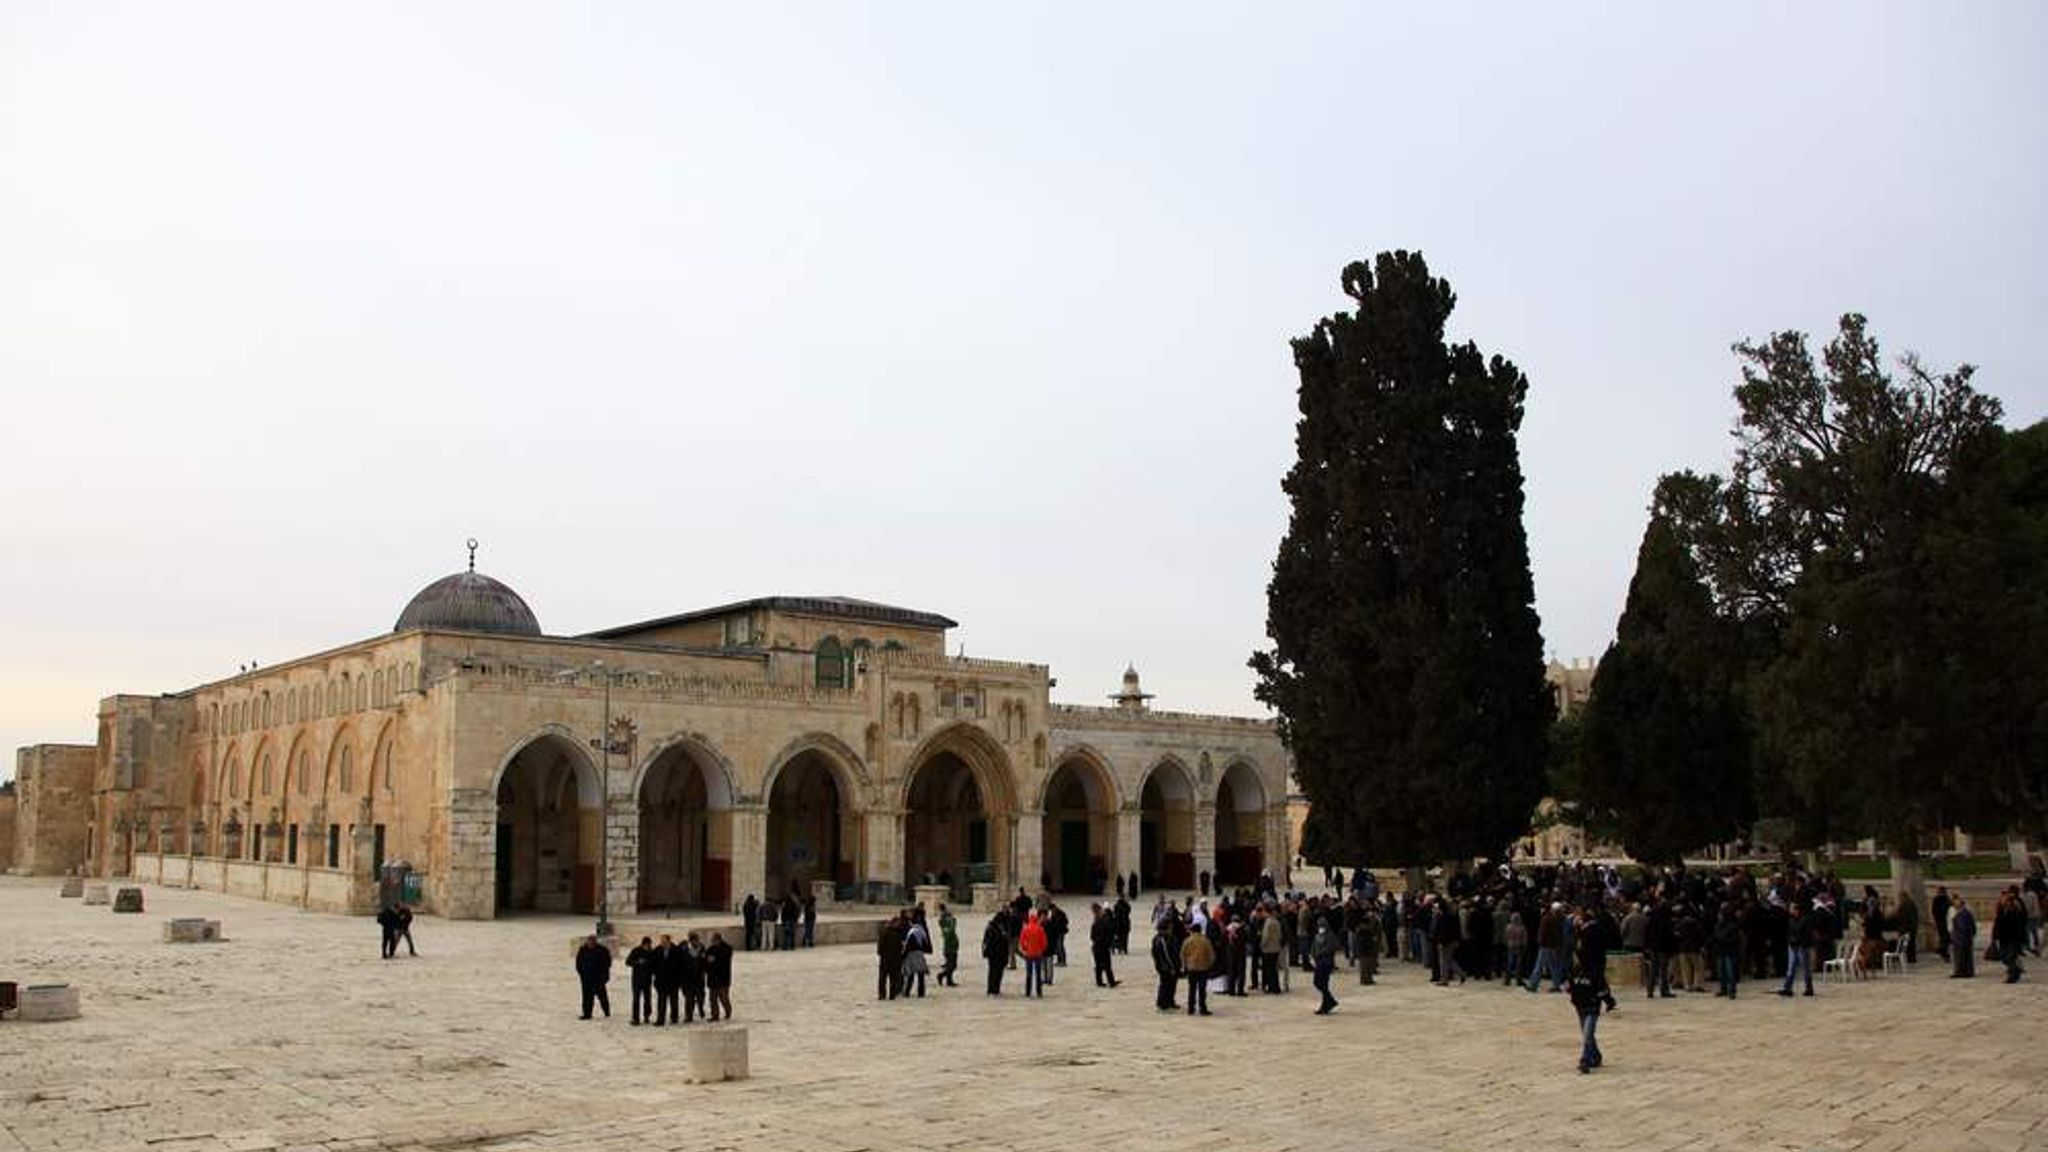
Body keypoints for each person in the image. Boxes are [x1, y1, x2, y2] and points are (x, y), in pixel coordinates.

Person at [1568, 917, 1604, 1073]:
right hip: (1581, 1005)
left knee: (1587, 1033)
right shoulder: (1575, 971)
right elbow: (1570, 986)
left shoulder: (1594, 971)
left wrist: (1608, 1001)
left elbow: (1603, 987)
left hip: (1591, 1005)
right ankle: (1595, 1055)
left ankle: (1585, 1060)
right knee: (1587, 1033)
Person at [1992, 887, 2028, 983]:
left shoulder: (2015, 911)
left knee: (2010, 957)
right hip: (2004, 938)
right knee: (2004, 957)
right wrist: (1994, 936)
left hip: (2013, 938)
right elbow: (1997, 924)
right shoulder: (2002, 910)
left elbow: (2019, 925)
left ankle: (2013, 975)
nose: (2001, 900)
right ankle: (2015, 971)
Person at [1181, 918, 1214, 1015]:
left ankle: (1191, 1008)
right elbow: (1211, 955)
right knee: (1202, 990)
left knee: (1192, 989)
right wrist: (1208, 965)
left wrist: (1185, 966)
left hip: (1191, 968)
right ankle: (1202, 1008)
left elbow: (1183, 954)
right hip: (1203, 968)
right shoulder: (1205, 941)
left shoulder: (1187, 941)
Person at [575, 935, 612, 1020]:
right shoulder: (583, 950)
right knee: (587, 997)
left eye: (592, 942)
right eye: (589, 941)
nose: (591, 943)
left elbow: (607, 963)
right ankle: (587, 1014)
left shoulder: (602, 950)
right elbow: (578, 963)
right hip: (586, 978)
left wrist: (604, 976)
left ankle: (607, 1012)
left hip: (598, 978)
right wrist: (581, 974)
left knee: (602, 995)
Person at [625, 935, 657, 1026]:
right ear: (643, 944)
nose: (648, 947)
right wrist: (637, 962)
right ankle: (636, 1018)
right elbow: (628, 962)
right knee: (636, 999)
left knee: (647, 999)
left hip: (647, 980)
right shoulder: (636, 951)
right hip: (637, 980)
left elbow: (654, 965)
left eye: (649, 945)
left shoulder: (651, 952)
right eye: (646, 945)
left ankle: (647, 1016)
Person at [1310, 918, 1339, 1015]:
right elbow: (1313, 946)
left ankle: (1325, 1005)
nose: (1320, 927)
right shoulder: (1317, 936)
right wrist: (1313, 955)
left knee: (1324, 983)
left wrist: (1321, 953)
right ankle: (1330, 1000)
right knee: (1317, 982)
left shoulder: (1331, 936)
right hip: (1318, 962)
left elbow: (1332, 947)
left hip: (1326, 962)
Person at [651, 933, 681, 1025]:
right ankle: (660, 1019)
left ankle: (674, 1017)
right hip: (661, 981)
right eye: (661, 941)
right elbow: (652, 963)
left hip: (673, 981)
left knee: (674, 1001)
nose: (662, 943)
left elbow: (681, 966)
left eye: (664, 941)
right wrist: (656, 973)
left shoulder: (676, 950)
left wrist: (679, 980)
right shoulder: (657, 950)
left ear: (669, 941)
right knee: (661, 1001)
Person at [1151, 917, 1180, 1011]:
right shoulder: (1161, 940)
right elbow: (1166, 955)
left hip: (1169, 966)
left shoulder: (1169, 937)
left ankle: (1170, 1001)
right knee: (1165, 985)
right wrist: (1171, 967)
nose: (1171, 929)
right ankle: (1162, 1003)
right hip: (1165, 967)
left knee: (1172, 984)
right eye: (1170, 927)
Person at [1019, 910, 1050, 998]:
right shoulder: (1040, 929)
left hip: (1029, 953)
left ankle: (1028, 992)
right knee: (1038, 974)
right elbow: (1044, 942)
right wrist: (1041, 949)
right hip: (1038, 953)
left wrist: (1025, 948)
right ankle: (1039, 991)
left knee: (1029, 974)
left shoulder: (1026, 928)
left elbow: (1021, 941)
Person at [902, 910, 932, 998]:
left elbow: (908, 945)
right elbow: (925, 943)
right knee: (921, 975)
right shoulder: (922, 930)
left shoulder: (911, 931)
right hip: (920, 953)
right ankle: (921, 992)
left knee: (910, 975)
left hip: (912, 954)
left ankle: (907, 992)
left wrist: (903, 955)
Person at [705, 931, 733, 1021]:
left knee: (723, 997)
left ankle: (728, 1011)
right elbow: (707, 960)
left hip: (722, 978)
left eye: (714, 940)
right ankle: (715, 1015)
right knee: (712, 998)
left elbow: (724, 961)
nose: (713, 942)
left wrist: (714, 960)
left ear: (719, 940)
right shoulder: (710, 949)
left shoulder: (727, 948)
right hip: (713, 978)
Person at [1090, 903, 1120, 988]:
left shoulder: (1095, 922)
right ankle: (1111, 982)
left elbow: (1092, 936)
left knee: (1098, 964)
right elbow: (1109, 932)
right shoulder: (1103, 921)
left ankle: (1099, 982)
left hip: (1096, 946)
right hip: (1103, 946)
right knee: (1107, 965)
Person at [679, 932, 707, 1021]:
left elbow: (704, 961)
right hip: (688, 978)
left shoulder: (701, 948)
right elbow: (681, 963)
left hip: (699, 977)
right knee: (689, 998)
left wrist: (704, 970)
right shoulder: (684, 949)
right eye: (696, 940)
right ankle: (689, 1015)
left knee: (701, 996)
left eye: (698, 940)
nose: (697, 942)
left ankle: (701, 1009)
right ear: (691, 940)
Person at [877, 913, 905, 1001]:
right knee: (892, 978)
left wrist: (881, 954)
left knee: (884, 977)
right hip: (894, 959)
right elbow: (901, 947)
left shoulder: (884, 932)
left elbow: (880, 946)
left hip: (886, 959)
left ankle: (883, 994)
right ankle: (891, 994)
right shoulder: (897, 934)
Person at [982, 910, 1010, 995]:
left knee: (994, 971)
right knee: (995, 972)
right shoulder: (994, 928)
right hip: (996, 953)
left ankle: (993, 988)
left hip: (996, 953)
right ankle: (993, 988)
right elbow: (991, 940)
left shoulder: (992, 926)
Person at [1950, 896, 1977, 978]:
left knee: (1960, 956)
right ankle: (1967, 971)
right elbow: (1973, 927)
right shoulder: (1967, 913)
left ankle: (1961, 971)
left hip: (1960, 938)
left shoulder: (1962, 914)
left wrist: (1956, 935)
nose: (1954, 905)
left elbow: (1963, 927)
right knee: (1966, 956)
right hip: (1966, 938)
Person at [937, 903, 960, 987]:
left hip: (951, 946)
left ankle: (949, 980)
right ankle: (941, 975)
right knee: (952, 965)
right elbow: (951, 927)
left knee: (951, 965)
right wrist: (951, 920)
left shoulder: (946, 925)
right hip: (950, 947)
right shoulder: (947, 926)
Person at [1931, 885, 1952, 960]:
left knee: (1943, 936)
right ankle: (1942, 950)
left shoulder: (1937, 899)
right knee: (1945, 937)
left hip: (1940, 921)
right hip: (1946, 920)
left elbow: (1933, 911)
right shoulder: (1947, 900)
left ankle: (1942, 950)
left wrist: (1936, 919)